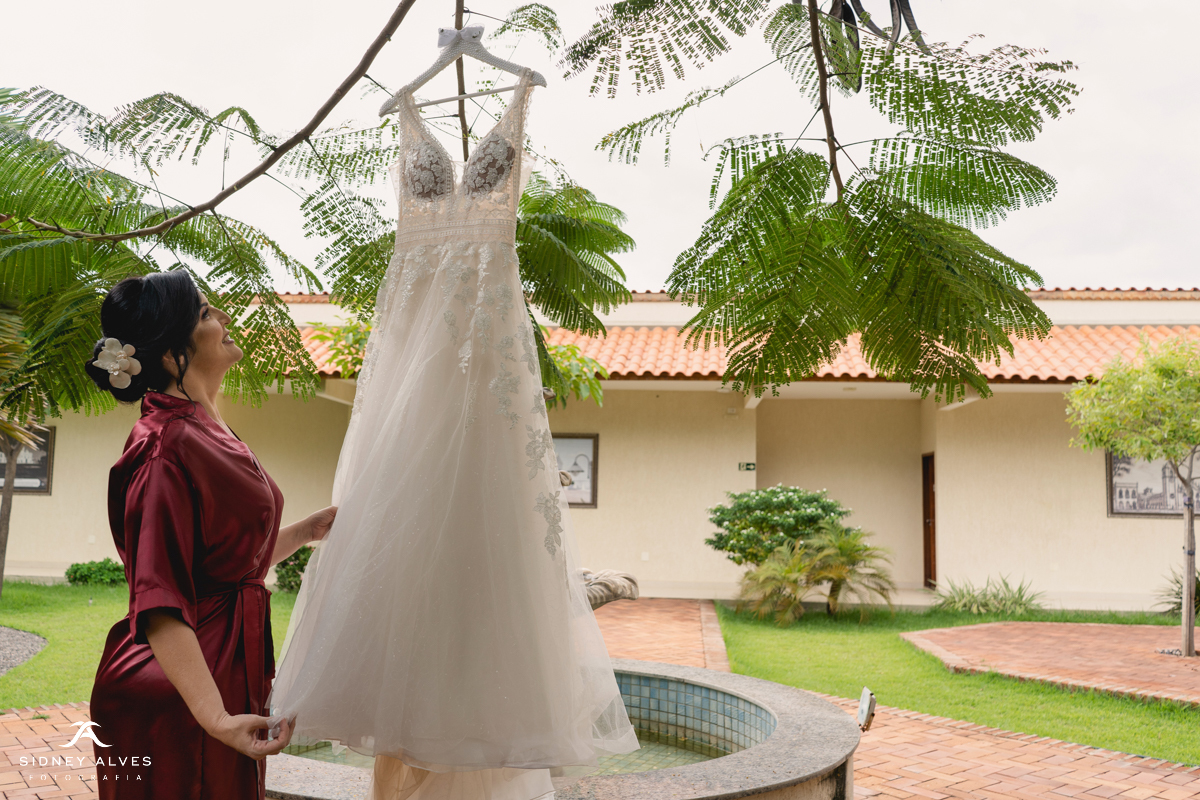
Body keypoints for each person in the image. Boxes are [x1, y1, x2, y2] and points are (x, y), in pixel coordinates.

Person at [85, 270, 337, 799]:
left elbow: (224, 558)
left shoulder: (203, 427)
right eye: (204, 313)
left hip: (226, 672)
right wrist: (216, 718)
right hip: (181, 694)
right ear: (175, 354)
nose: (222, 317)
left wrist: (307, 531)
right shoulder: (162, 447)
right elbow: (158, 598)